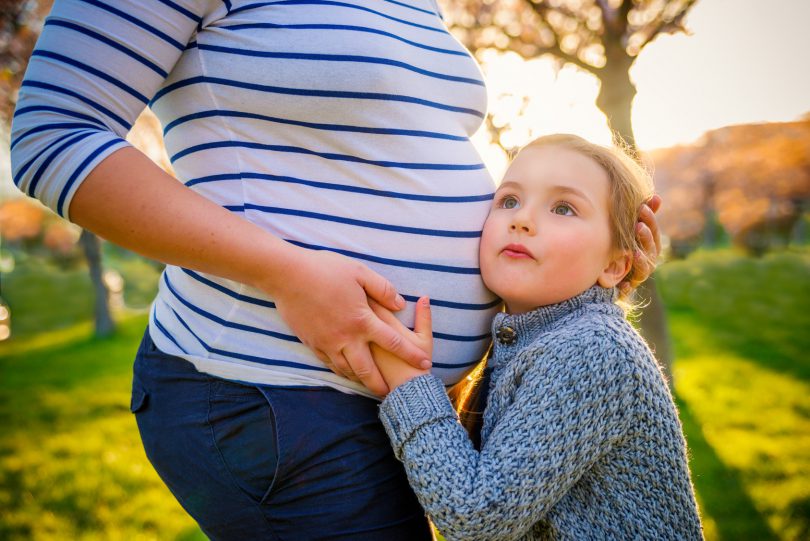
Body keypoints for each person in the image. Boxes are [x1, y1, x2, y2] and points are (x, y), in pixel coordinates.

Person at [10, 0, 661, 538]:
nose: (518, 218)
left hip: (400, 402)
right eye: (510, 200)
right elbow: (53, 131)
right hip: (277, 387)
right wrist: (284, 273)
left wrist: (600, 266)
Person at [373, 134, 703, 541]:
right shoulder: (541, 336)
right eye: (509, 200)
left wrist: (408, 383)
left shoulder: (591, 351)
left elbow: (477, 516)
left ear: (616, 264)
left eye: (563, 208)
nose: (522, 219)